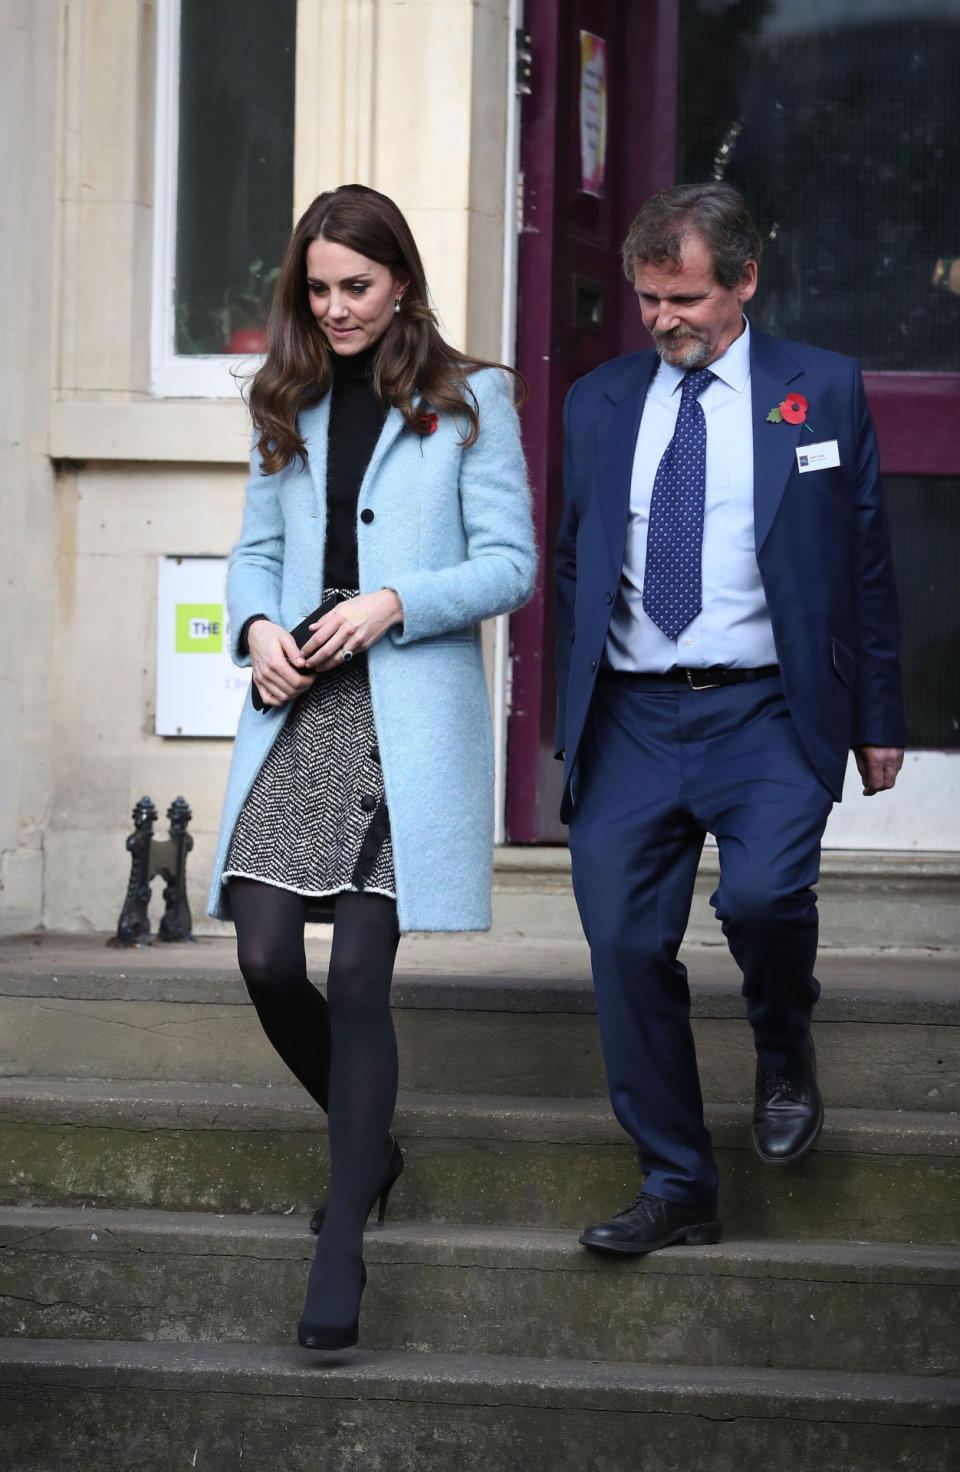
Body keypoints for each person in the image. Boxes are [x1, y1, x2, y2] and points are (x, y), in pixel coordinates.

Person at [207, 184, 535, 1346]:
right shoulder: (283, 396)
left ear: (400, 279)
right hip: (303, 696)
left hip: (407, 711)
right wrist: (256, 633)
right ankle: (372, 1147)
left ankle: (343, 1237)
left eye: (359, 284)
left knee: (357, 976)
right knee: (261, 952)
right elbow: (251, 553)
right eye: (320, 288)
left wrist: (399, 598)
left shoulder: (468, 397)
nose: (338, 307)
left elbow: (510, 565)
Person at [555, 182, 904, 1255]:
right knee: (621, 941)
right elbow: (574, 556)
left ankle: (782, 1038)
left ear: (745, 281)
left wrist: (878, 716)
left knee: (760, 898)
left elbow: (867, 563)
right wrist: (574, 711)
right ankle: (676, 1181)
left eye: (689, 299)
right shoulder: (599, 401)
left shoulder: (823, 389)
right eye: (651, 299)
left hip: (767, 704)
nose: (666, 321)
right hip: (632, 714)